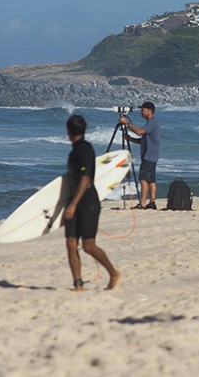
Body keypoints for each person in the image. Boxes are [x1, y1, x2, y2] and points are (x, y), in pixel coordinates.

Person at [63, 114, 120, 291]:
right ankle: (78, 284)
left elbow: (85, 178)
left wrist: (73, 205)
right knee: (71, 243)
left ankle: (113, 273)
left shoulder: (83, 150)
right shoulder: (76, 150)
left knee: (88, 246)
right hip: (74, 200)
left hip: (87, 203)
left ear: (69, 132)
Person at [119, 101, 161, 210]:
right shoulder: (151, 122)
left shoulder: (152, 122)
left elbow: (140, 132)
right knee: (151, 180)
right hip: (152, 156)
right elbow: (143, 140)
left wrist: (127, 124)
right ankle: (152, 202)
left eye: (143, 109)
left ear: (149, 111)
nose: (141, 112)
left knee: (143, 178)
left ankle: (142, 203)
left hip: (149, 156)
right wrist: (130, 139)